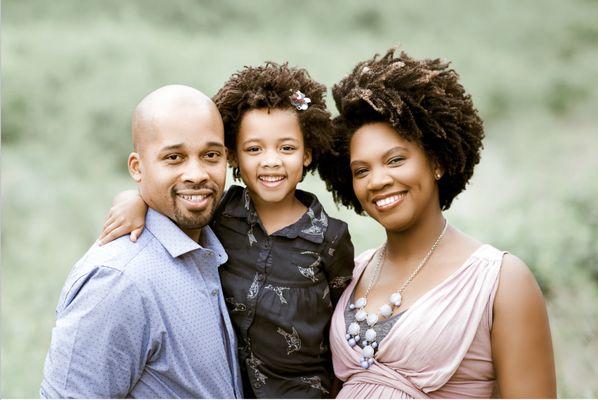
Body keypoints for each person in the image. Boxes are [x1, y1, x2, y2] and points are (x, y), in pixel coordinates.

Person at [98, 63, 355, 398]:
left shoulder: (330, 239)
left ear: (307, 153)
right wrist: (133, 200)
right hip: (227, 387)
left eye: (287, 148)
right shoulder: (220, 213)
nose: (271, 161)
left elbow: (341, 329)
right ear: (233, 156)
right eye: (254, 149)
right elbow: (172, 199)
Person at [317, 48, 557, 398]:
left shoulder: (501, 281)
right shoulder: (351, 272)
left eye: (396, 159)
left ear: (437, 162)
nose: (378, 180)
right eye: (361, 170)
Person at [41, 85, 242, 398]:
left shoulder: (223, 242)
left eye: (210, 155)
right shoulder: (119, 280)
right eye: (174, 158)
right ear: (137, 167)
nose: (197, 173)